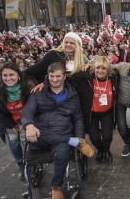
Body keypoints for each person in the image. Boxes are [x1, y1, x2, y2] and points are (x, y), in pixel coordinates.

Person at [21, 62, 95, 199]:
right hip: (39, 135)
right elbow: (27, 112)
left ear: (64, 76)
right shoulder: (38, 93)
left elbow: (78, 118)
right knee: (35, 135)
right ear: (47, 76)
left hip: (61, 135)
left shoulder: (73, 96)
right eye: (51, 76)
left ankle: (56, 187)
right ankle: (73, 142)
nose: (54, 79)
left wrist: (79, 137)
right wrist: (29, 125)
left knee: (63, 152)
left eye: (58, 76)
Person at [0, 62, 37, 180]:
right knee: (14, 139)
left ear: (18, 75)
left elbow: (35, 105)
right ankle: (21, 164)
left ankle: (30, 163)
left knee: (26, 139)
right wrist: (12, 124)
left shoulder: (29, 85)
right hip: (8, 120)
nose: (8, 78)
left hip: (27, 118)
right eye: (5, 76)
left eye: (11, 75)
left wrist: (24, 122)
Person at [69, 56, 118, 162]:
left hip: (107, 113)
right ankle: (100, 150)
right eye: (98, 68)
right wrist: (89, 66)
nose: (100, 71)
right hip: (92, 114)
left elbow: (119, 68)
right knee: (94, 138)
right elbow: (70, 79)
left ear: (108, 70)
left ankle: (106, 150)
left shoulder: (114, 77)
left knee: (107, 137)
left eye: (104, 68)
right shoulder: (87, 78)